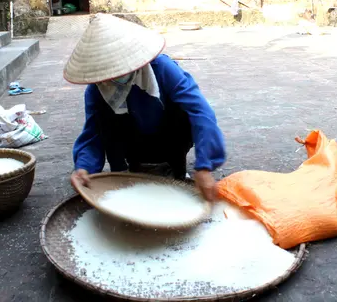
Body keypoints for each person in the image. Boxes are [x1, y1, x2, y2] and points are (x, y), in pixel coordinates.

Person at [65, 14, 226, 200]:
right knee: (103, 118)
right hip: (130, 143)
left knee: (184, 111)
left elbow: (201, 111)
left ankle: (177, 167)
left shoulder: (162, 68)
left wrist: (205, 166)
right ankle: (122, 171)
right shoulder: (96, 89)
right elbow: (92, 132)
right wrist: (84, 167)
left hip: (170, 137)